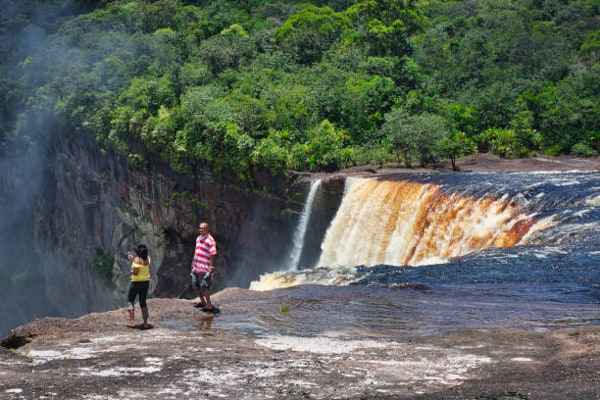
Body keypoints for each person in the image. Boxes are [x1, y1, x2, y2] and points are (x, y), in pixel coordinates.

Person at [191, 222, 218, 313]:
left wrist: (211, 267)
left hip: (205, 268)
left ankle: (209, 305)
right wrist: (193, 263)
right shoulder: (198, 238)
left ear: (206, 229)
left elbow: (213, 254)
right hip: (196, 267)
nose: (200, 230)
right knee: (195, 285)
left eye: (202, 228)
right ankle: (203, 302)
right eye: (199, 228)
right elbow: (196, 251)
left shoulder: (210, 240)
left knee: (204, 287)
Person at [126, 243, 151, 329]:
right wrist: (132, 260)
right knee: (143, 302)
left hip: (136, 283)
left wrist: (131, 272)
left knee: (130, 300)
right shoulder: (148, 259)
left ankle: (132, 322)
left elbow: (136, 272)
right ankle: (145, 323)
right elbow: (140, 264)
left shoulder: (136, 260)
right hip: (146, 283)